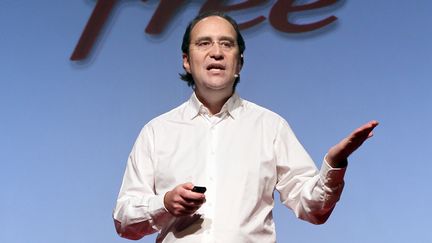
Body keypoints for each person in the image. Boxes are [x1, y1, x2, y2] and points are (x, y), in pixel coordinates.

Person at [113, 11, 379, 243]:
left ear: (239, 62)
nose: (216, 52)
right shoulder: (157, 132)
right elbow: (124, 221)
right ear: (186, 60)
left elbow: (313, 208)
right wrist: (165, 203)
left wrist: (334, 163)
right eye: (204, 43)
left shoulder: (270, 127)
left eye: (226, 44)